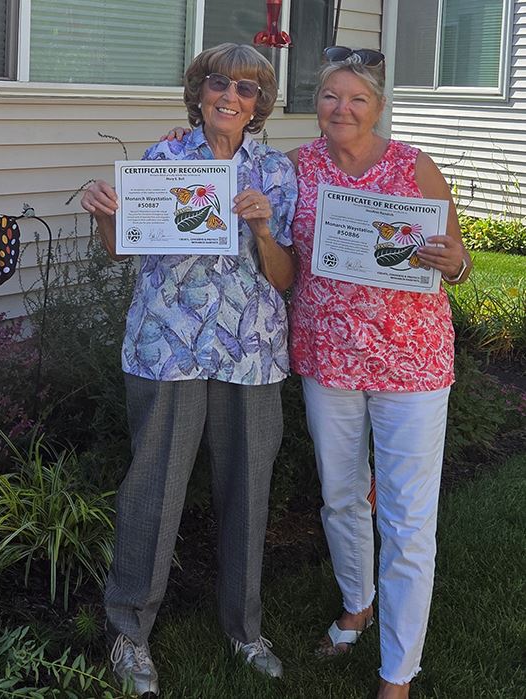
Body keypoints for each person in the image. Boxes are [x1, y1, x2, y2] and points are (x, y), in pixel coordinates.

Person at [162, 45, 471, 698]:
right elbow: (287, 262)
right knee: (340, 497)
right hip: (328, 359)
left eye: (357, 97)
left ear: (378, 107)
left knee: (409, 520)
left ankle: (397, 673)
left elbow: (457, 255)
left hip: (411, 364)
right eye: (331, 95)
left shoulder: (414, 167)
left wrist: (455, 265)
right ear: (317, 104)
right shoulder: (300, 168)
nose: (342, 107)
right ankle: (357, 603)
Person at [80, 43, 297, 697]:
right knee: (153, 490)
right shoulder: (163, 160)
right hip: (166, 348)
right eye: (218, 83)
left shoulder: (277, 174)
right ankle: (129, 636)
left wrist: (263, 230)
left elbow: (285, 278)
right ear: (199, 91)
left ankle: (243, 628)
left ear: (260, 104)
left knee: (247, 492)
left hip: (250, 353)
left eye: (248, 89)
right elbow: (123, 250)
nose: (231, 96)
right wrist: (106, 218)